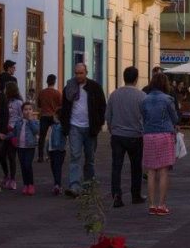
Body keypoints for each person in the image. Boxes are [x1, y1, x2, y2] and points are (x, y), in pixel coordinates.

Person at [59, 62, 106, 197]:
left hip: (90, 127)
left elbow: (102, 106)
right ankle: (74, 186)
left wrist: (99, 124)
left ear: (86, 73)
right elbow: (65, 108)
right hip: (74, 126)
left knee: (90, 158)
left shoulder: (95, 87)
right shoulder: (69, 87)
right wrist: (65, 125)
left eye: (81, 73)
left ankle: (88, 184)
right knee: (75, 156)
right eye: (76, 73)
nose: (78, 76)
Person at [105, 66, 147, 208]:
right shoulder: (142, 96)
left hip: (117, 135)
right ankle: (136, 195)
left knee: (116, 167)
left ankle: (116, 196)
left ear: (124, 78)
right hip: (135, 135)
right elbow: (145, 117)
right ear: (136, 79)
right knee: (136, 167)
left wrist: (112, 129)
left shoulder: (114, 95)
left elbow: (108, 116)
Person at [142, 73, 179, 216]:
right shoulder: (168, 99)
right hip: (164, 135)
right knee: (163, 171)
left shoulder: (144, 99)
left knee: (151, 171)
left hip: (149, 135)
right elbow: (175, 118)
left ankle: (151, 205)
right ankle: (162, 205)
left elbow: (143, 117)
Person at [0, 81, 22, 189]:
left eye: (6, 88)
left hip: (13, 132)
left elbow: (21, 116)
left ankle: (13, 178)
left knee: (11, 156)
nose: (4, 90)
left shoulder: (18, 103)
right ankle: (6, 175)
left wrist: (15, 127)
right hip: (4, 131)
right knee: (1, 155)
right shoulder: (3, 101)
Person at [12, 101, 41, 195]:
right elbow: (14, 133)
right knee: (23, 166)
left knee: (28, 165)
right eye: (25, 109)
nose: (27, 111)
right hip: (20, 147)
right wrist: (6, 136)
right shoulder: (19, 122)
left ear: (33, 111)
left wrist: (30, 120)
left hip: (30, 147)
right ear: (22, 111)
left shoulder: (35, 122)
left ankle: (31, 184)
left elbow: (36, 131)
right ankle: (25, 184)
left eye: (30, 109)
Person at [36, 74, 61, 163]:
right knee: (54, 136)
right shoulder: (57, 93)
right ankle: (53, 155)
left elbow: (38, 105)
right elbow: (60, 105)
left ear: (47, 81)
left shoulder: (42, 92)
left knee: (42, 137)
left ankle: (40, 156)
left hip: (44, 116)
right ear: (54, 82)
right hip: (53, 116)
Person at [46, 118, 67, 195]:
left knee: (57, 167)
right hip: (52, 150)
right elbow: (49, 140)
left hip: (59, 150)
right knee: (54, 167)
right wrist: (47, 151)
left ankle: (57, 185)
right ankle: (57, 184)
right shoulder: (51, 126)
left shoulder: (61, 126)